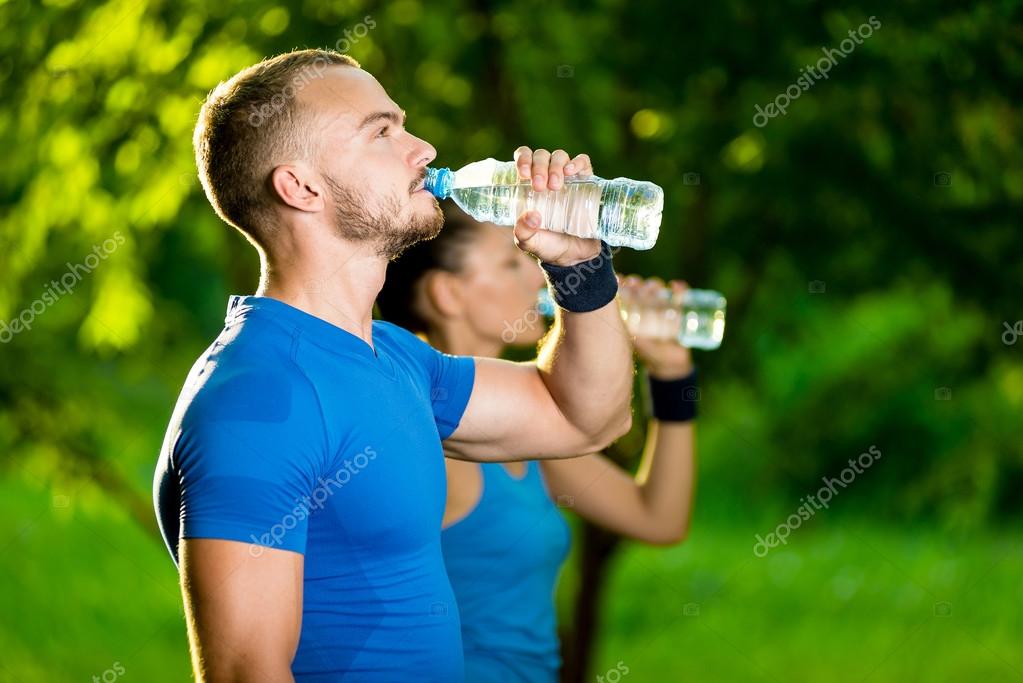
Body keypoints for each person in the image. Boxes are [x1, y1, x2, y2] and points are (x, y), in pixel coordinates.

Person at [152, 49, 635, 683]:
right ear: (301, 186)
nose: (424, 148)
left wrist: (579, 266)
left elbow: (587, 419)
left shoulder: (395, 358)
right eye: (382, 132)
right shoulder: (259, 398)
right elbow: (247, 673)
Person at [377, 205, 700, 682]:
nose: (537, 278)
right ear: (448, 293)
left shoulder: (524, 432)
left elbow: (660, 519)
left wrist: (671, 375)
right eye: (511, 262)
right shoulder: (418, 430)